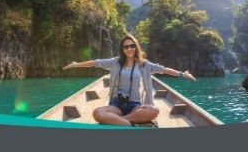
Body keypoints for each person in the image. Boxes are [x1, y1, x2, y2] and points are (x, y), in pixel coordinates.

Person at [63, 34, 196, 126]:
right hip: (117, 105)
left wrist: (182, 74)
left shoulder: (144, 64)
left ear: (136, 47)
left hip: (135, 105)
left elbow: (164, 69)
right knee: (97, 113)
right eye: (126, 47)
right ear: (122, 49)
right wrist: (76, 64)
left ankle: (119, 122)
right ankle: (130, 124)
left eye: (132, 46)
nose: (129, 49)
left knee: (154, 110)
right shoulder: (115, 62)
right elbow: (95, 62)